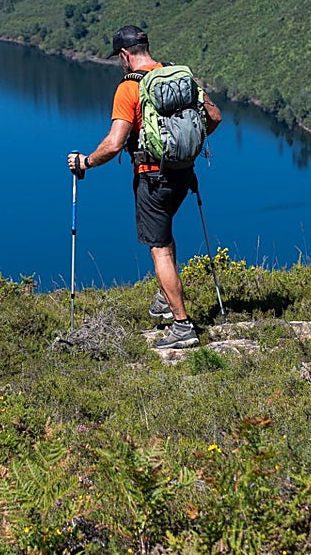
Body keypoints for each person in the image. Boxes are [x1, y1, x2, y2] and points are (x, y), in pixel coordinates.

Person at [68, 25, 222, 350]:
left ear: (125, 55)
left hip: (152, 179)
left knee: (159, 248)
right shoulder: (177, 75)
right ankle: (166, 298)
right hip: (183, 173)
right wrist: (186, 145)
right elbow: (214, 117)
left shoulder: (129, 88)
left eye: (119, 57)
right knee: (165, 235)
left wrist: (86, 162)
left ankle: (182, 326)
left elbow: (114, 144)